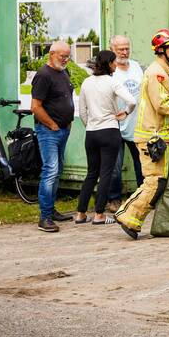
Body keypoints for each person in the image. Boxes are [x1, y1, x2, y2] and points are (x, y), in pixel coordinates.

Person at [114, 29, 169, 239]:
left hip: (161, 136)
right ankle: (127, 215)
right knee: (154, 181)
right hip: (153, 137)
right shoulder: (155, 73)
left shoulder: (167, 71)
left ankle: (134, 221)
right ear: (160, 50)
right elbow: (163, 106)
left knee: (160, 181)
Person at [75, 50, 136, 224]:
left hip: (92, 133)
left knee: (91, 173)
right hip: (109, 131)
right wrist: (125, 112)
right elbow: (132, 100)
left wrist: (90, 126)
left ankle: (80, 213)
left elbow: (82, 111)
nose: (116, 64)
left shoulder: (86, 83)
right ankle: (99, 214)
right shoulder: (112, 82)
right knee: (106, 173)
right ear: (109, 64)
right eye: (114, 62)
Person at [31, 41, 76, 233]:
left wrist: (67, 123)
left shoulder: (63, 72)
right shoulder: (43, 75)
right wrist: (52, 125)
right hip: (49, 131)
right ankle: (45, 217)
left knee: (57, 171)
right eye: (62, 56)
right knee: (50, 171)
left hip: (63, 130)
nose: (65, 59)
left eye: (68, 56)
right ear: (51, 54)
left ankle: (51, 210)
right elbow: (35, 106)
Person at [106, 35, 143, 212]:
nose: (124, 52)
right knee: (114, 165)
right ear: (112, 49)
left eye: (127, 48)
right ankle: (113, 200)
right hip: (115, 124)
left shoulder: (136, 66)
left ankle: (143, 197)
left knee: (141, 163)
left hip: (136, 124)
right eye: (120, 49)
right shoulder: (109, 71)